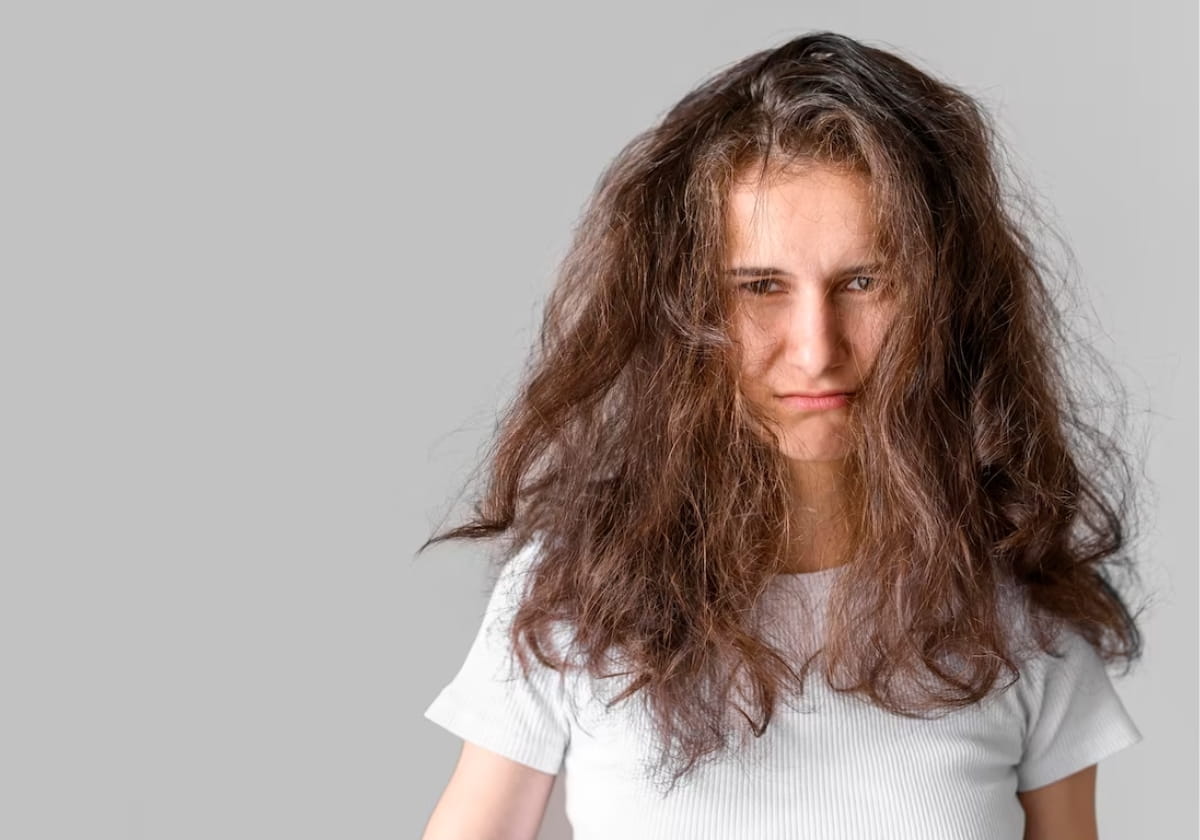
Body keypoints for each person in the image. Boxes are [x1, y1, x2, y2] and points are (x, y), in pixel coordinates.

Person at [416, 30, 1146, 840]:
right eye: (760, 286)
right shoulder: (570, 598)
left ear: (948, 304)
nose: (816, 349)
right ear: (685, 310)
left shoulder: (1026, 618)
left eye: (864, 283)